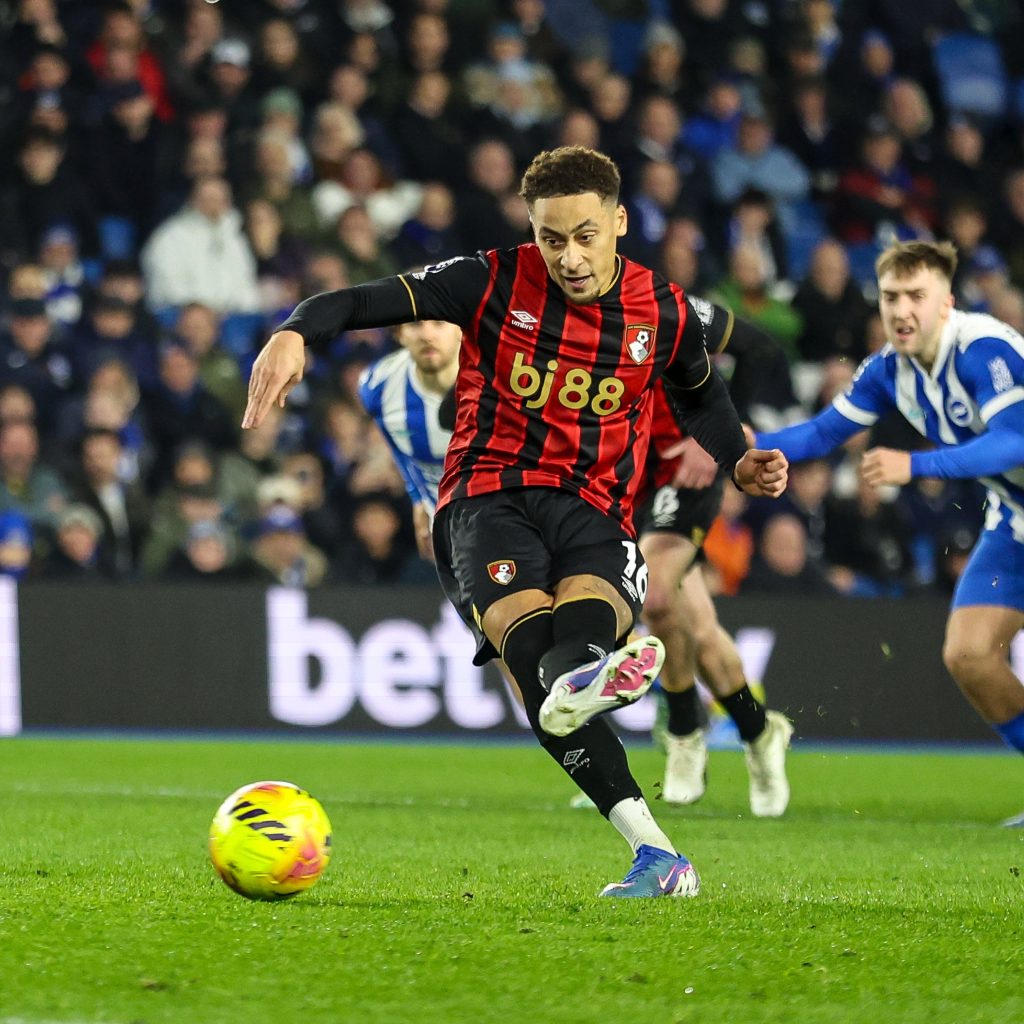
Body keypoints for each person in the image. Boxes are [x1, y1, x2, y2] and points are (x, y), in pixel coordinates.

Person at [244, 145, 788, 897]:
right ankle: (626, 763)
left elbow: (700, 394)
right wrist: (294, 330)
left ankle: (650, 831)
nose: (569, 257)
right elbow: (365, 301)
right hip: (487, 496)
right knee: (536, 663)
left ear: (620, 223)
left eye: (585, 236)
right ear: (532, 230)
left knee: (563, 678)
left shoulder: (663, 309)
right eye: (551, 238)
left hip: (595, 503)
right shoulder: (490, 279)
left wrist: (735, 459)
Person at [752, 240, 1024, 828]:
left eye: (916, 296)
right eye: (891, 297)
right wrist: (744, 445)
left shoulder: (984, 348)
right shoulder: (887, 370)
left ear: (946, 302)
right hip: (1015, 521)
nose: (901, 310)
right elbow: (821, 434)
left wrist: (915, 465)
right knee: (969, 655)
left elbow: (1015, 440)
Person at [637, 304, 794, 815]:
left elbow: (760, 348)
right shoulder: (556, 311)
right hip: (619, 477)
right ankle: (760, 731)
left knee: (654, 595)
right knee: (699, 631)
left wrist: (712, 437)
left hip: (683, 472)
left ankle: (685, 732)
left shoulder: (664, 307)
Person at [357, 318, 460, 560]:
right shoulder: (378, 385)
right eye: (415, 325)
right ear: (399, 334)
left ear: (461, 330)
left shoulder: (499, 379)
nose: (427, 335)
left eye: (438, 323)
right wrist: (418, 498)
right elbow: (398, 444)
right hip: (445, 526)